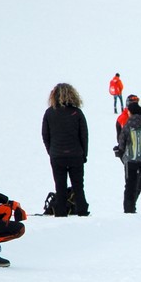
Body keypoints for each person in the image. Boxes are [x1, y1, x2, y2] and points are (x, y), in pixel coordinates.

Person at [42, 83, 90, 216]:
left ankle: (61, 212)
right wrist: (83, 154)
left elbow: (45, 135)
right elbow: (84, 135)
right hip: (76, 155)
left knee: (60, 187)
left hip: (57, 155)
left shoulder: (49, 113)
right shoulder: (77, 113)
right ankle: (82, 211)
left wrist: (51, 151)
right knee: (78, 187)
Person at [117, 96, 141, 213]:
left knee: (130, 187)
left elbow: (121, 144)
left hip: (131, 162)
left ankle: (129, 211)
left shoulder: (127, 126)